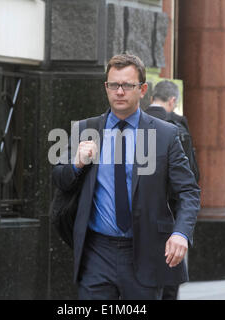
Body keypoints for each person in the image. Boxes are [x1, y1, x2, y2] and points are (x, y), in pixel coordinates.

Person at [52, 54, 200, 300]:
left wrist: (181, 233)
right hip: (97, 252)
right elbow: (59, 179)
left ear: (142, 89)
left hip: (145, 251)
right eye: (113, 85)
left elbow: (188, 191)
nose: (119, 92)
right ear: (106, 87)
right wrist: (76, 163)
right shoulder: (86, 130)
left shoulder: (164, 134)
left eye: (127, 85)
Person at [145, 80, 200, 300]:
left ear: (150, 98)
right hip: (170, 219)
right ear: (173, 101)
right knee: (168, 284)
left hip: (136, 220)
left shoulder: (134, 124)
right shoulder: (178, 128)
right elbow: (192, 177)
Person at [145, 80, 199, 183]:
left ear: (152, 99)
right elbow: (190, 172)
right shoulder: (178, 125)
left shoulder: (135, 122)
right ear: (172, 101)